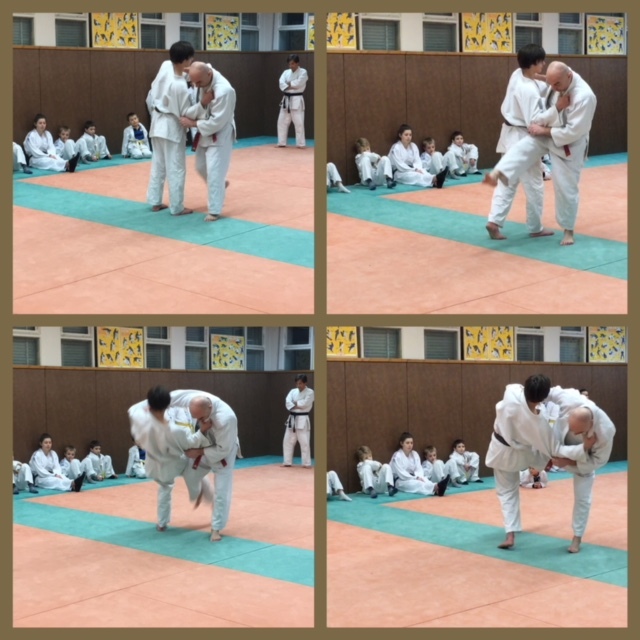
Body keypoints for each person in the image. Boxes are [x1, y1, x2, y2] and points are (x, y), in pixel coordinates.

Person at [484, 61, 597, 246]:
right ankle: (499, 171)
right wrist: (547, 83)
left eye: (557, 84)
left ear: (569, 76)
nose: (553, 88)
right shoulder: (558, 79)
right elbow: (554, 85)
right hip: (548, 129)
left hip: (569, 143)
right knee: (524, 147)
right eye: (551, 83)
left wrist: (543, 130)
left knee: (566, 188)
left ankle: (568, 231)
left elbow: (574, 131)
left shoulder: (585, 96)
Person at [485, 374, 597, 549]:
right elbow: (553, 448)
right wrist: (575, 453)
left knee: (506, 492)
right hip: (525, 455)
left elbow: (516, 387)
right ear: (543, 399)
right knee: (564, 466)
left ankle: (510, 533)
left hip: (501, 451)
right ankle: (575, 537)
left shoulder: (511, 393)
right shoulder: (539, 424)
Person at [486, 44, 554, 240]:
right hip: (524, 140)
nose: (544, 63)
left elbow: (539, 83)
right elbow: (534, 123)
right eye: (541, 61)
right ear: (533, 63)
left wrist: (550, 80)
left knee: (506, 182)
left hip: (509, 136)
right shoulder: (529, 91)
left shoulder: (517, 75)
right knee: (534, 184)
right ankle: (535, 227)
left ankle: (494, 221)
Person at [128, 386, 212, 532]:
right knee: (197, 465)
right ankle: (199, 493)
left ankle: (162, 523)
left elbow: (137, 407)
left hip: (153, 465)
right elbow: (190, 443)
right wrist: (202, 430)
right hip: (176, 463)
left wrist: (153, 402)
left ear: (149, 405)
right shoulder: (176, 431)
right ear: (168, 406)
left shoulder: (137, 415)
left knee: (165, 488)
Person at [546, 385, 616, 553]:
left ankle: (577, 537)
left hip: (583, 463)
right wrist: (534, 399)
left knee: (583, 499)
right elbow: (549, 391)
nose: (573, 432)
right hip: (557, 445)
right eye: (572, 428)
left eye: (577, 431)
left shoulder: (605, 431)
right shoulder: (570, 399)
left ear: (590, 425)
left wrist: (567, 462)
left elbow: (597, 462)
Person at [169, 389, 239, 542]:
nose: (198, 420)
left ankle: (216, 528)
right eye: (196, 418)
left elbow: (223, 449)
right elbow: (175, 396)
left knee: (221, 491)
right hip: (205, 444)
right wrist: (156, 404)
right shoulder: (195, 401)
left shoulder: (225, 419)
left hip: (223, 454)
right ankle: (201, 491)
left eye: (200, 417)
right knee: (188, 471)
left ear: (209, 409)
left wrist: (198, 452)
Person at [179, 60, 236, 222]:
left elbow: (217, 121)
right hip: (205, 128)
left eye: (199, 82)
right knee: (200, 167)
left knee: (214, 171)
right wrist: (189, 71)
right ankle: (220, 185)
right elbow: (197, 71)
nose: (196, 86)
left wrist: (193, 123)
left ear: (209, 74)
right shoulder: (203, 75)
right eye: (194, 82)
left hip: (220, 132)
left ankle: (214, 210)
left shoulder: (224, 91)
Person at [146, 41, 196, 216]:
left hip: (156, 122)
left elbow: (154, 91)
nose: (192, 61)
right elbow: (185, 112)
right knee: (176, 167)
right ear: (185, 60)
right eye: (191, 59)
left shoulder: (166, 65)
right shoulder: (180, 87)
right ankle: (177, 207)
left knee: (158, 164)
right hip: (171, 126)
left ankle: (155, 201)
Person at [390, 432, 448, 496]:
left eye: (411, 443)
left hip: (415, 476)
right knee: (417, 484)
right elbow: (401, 473)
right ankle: (435, 489)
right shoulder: (397, 456)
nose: (410, 445)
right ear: (401, 443)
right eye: (407, 443)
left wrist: (419, 477)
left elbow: (419, 469)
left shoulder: (414, 454)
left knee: (425, 480)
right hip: (401, 481)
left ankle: (437, 488)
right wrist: (415, 478)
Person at [283, 374, 314, 469]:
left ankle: (306, 463)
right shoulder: (293, 391)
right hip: (292, 418)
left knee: (304, 442)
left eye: (300, 383)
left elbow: (305, 404)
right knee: (287, 441)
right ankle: (287, 462)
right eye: (297, 383)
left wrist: (295, 403)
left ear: (305, 383)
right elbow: (287, 402)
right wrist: (297, 405)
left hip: (303, 419)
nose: (298, 385)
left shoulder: (310, 392)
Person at [276, 54, 308, 148]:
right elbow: (281, 83)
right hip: (286, 99)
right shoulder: (286, 72)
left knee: (299, 123)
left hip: (297, 99)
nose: (291, 66)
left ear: (297, 63)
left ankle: (300, 144)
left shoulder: (303, 72)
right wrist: (290, 85)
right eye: (289, 64)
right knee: (281, 122)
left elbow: (299, 83)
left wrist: (289, 84)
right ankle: (281, 142)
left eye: (293, 64)